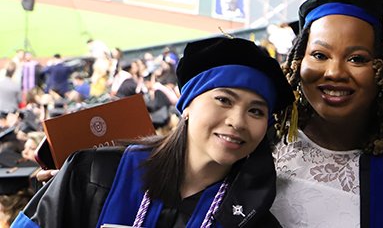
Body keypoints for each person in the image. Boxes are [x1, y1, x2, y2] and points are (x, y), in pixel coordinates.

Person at [13, 37, 293, 227]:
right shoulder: (95, 173)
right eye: (224, 100)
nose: (238, 121)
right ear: (187, 106)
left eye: (256, 111)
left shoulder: (250, 219)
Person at [270, 0, 383, 226]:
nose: (334, 72)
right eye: (319, 55)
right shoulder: (260, 141)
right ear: (298, 61)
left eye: (357, 59)